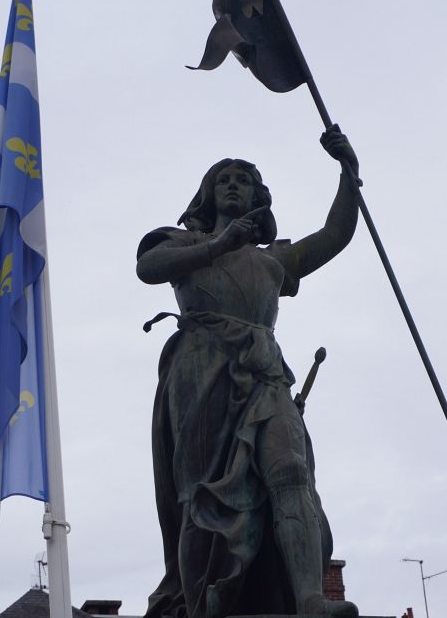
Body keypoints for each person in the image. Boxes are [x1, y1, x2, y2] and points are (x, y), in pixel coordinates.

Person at [137, 125, 360, 618]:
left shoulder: (275, 259)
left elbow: (334, 236)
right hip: (201, 369)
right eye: (224, 180)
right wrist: (218, 245)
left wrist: (349, 174)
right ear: (208, 194)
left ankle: (309, 599)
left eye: (244, 180)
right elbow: (148, 267)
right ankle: (201, 601)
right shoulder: (182, 241)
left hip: (265, 374)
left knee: (290, 471)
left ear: (259, 197)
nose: (234, 185)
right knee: (200, 495)